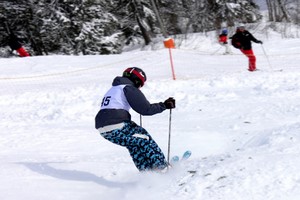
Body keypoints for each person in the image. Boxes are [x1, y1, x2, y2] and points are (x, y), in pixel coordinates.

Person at [95, 67, 175, 172]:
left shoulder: (114, 89)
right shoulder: (128, 87)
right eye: (140, 84)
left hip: (104, 129)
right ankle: (162, 168)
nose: (139, 88)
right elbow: (146, 109)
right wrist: (164, 105)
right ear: (136, 80)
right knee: (144, 139)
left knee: (134, 144)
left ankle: (147, 173)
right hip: (117, 124)